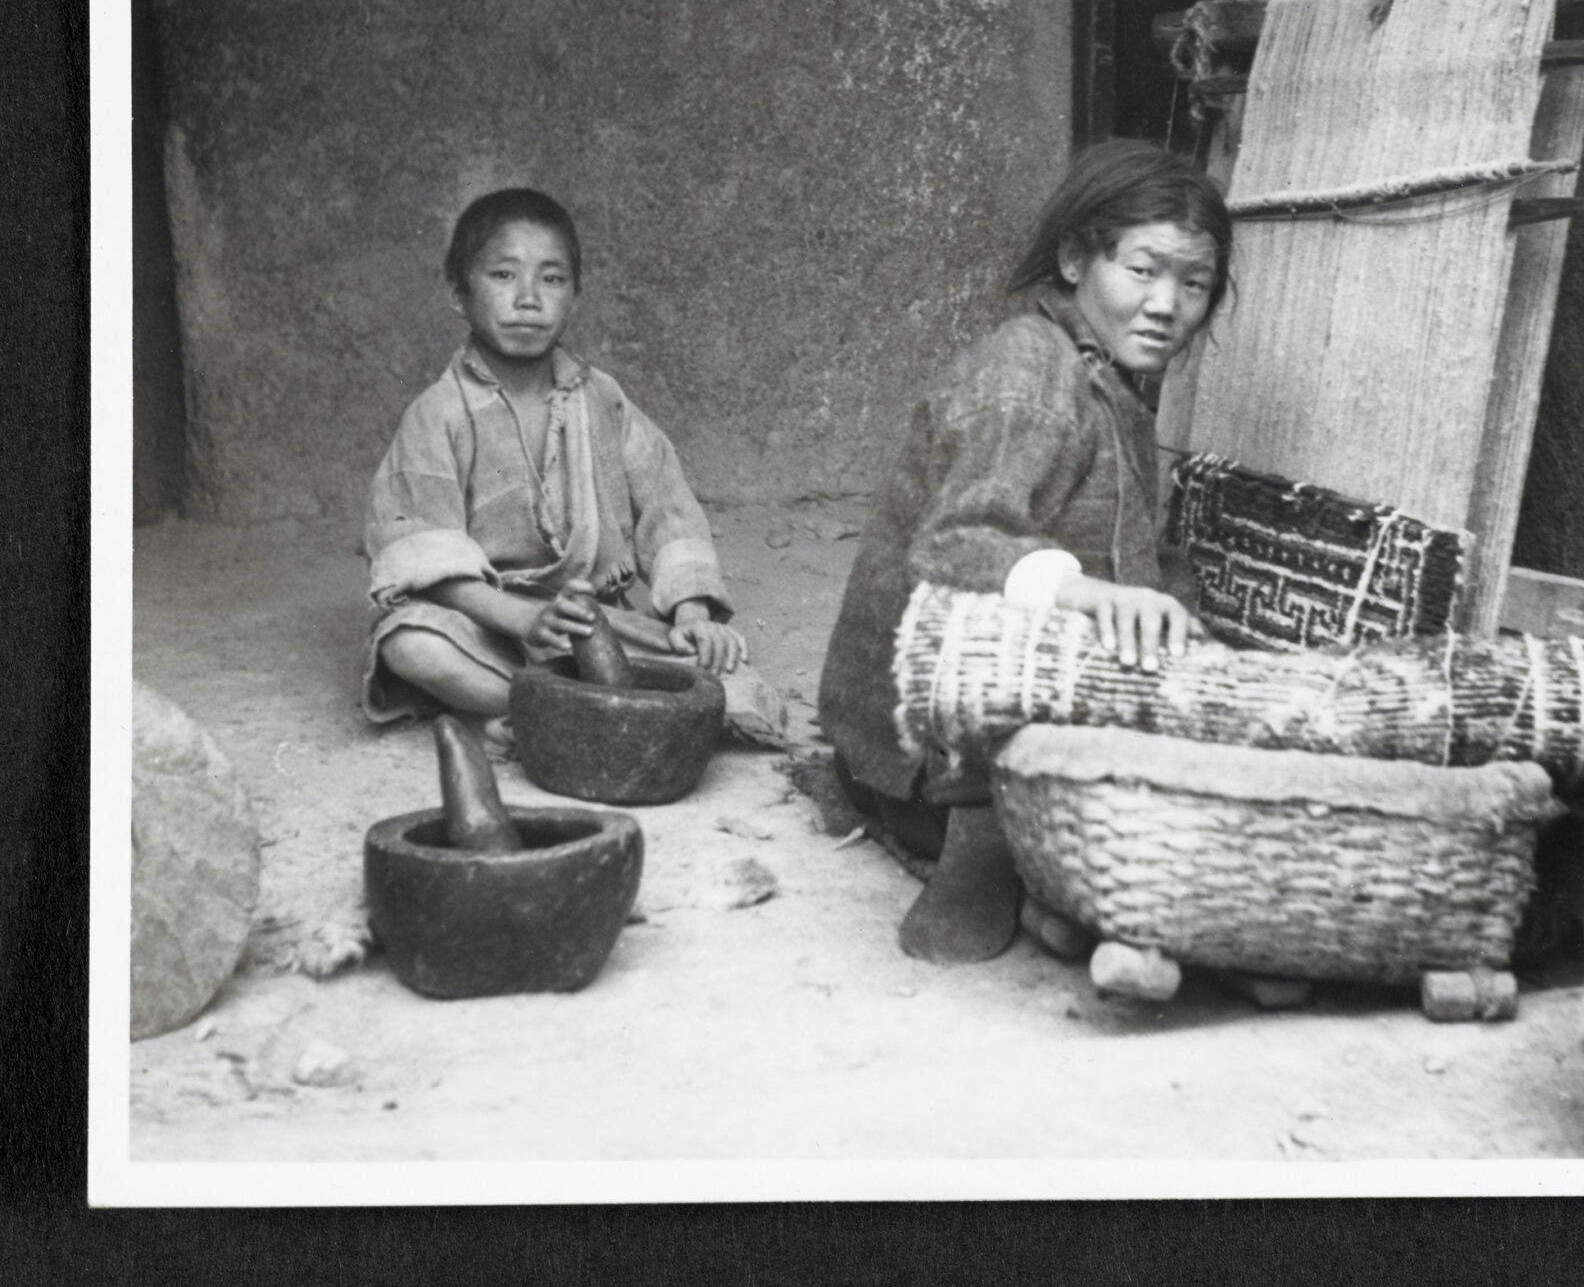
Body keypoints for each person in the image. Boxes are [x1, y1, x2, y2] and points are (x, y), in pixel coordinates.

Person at [817, 140, 1232, 964]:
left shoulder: (1111, 385)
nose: (1167, 303)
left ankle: (1053, 884)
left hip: (1002, 719)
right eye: (1144, 269)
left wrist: (1189, 623)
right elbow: (956, 539)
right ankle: (993, 844)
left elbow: (1141, 552)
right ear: (1077, 258)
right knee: (1157, 824)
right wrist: (1094, 597)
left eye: (1194, 283)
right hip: (917, 760)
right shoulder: (1030, 371)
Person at [361, 188, 746, 752]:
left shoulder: (602, 400)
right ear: (457, 294)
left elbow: (668, 508)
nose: (527, 299)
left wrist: (691, 612)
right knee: (413, 646)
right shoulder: (438, 414)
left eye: (551, 279)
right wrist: (520, 620)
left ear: (575, 296)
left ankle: (539, 708)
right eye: (502, 275)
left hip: (592, 629)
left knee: (727, 679)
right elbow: (425, 556)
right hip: (487, 620)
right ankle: (566, 706)